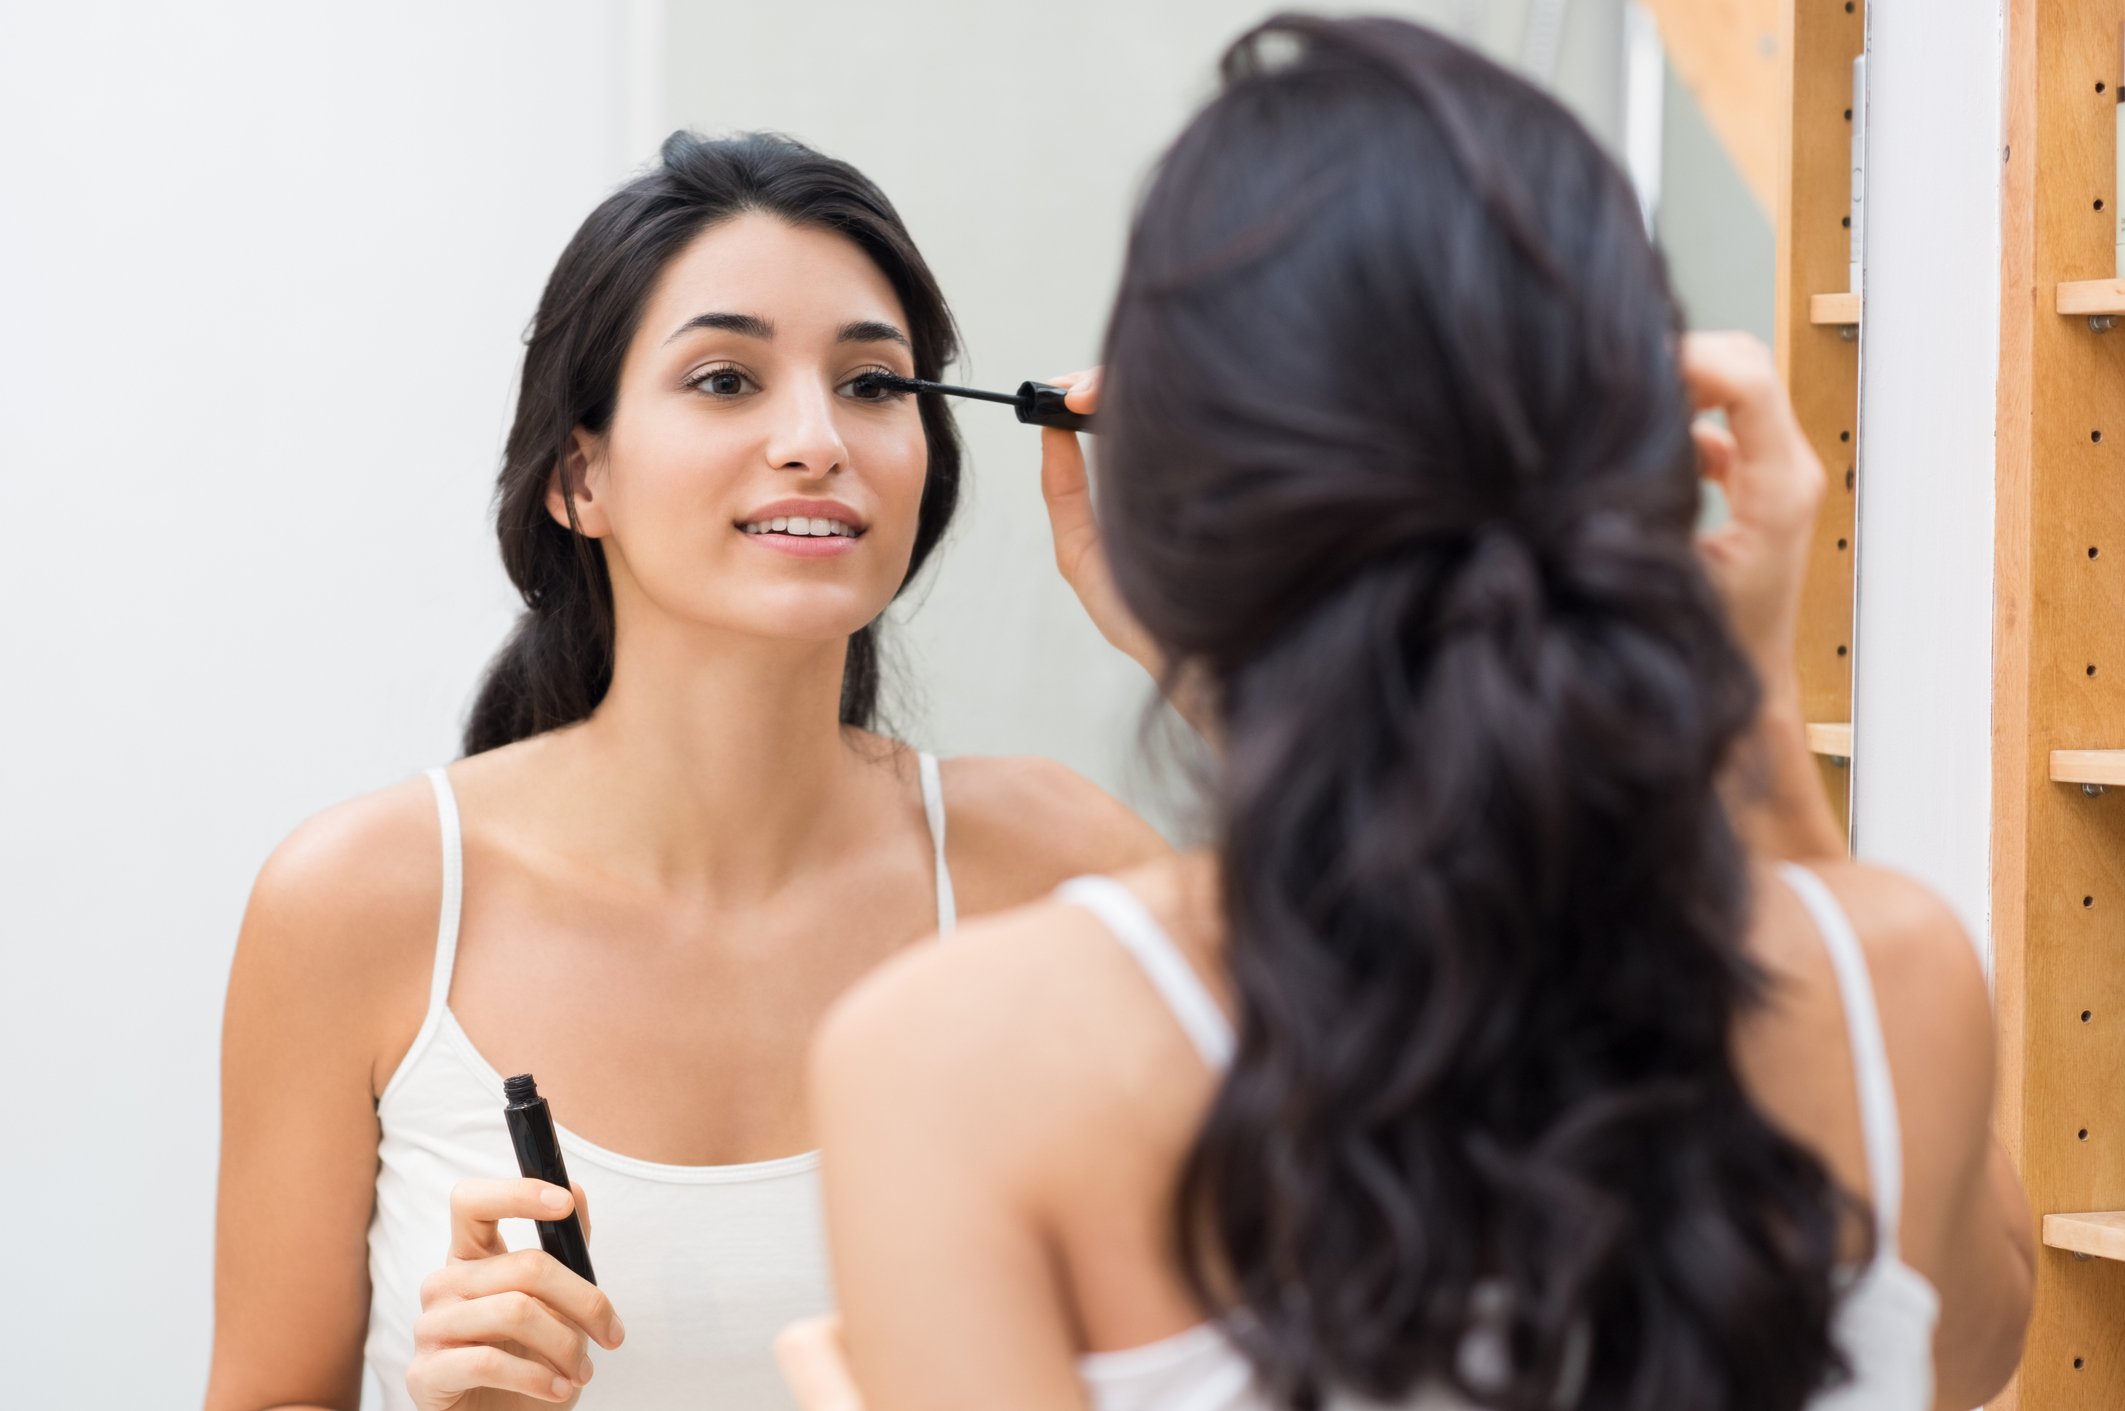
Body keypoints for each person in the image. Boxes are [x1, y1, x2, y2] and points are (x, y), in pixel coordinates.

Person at [788, 16, 2035, 1411]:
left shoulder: (959, 1063)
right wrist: (1738, 693)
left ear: (1168, 511)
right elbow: (1966, 1341)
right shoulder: (1892, 981)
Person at [205, 130, 1166, 1411]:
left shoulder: (1053, 865)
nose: (817, 438)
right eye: (725, 379)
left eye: (875, 385)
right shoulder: (357, 907)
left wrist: (1215, 655)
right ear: (578, 474)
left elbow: (1407, 1137)